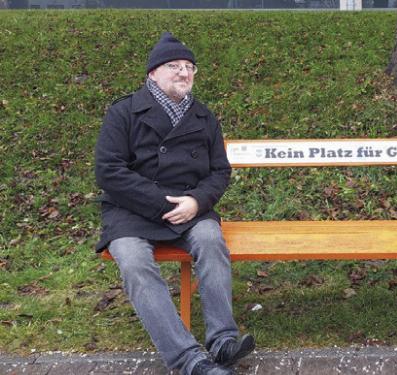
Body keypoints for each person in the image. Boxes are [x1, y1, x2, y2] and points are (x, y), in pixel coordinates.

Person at [94, 32, 255, 375]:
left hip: (191, 209)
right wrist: (164, 203)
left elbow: (219, 171)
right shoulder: (124, 112)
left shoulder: (203, 116)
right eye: (174, 66)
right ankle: (187, 359)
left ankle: (223, 340)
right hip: (131, 211)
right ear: (153, 73)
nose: (184, 72)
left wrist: (197, 201)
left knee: (212, 241)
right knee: (135, 262)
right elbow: (109, 172)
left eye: (189, 67)